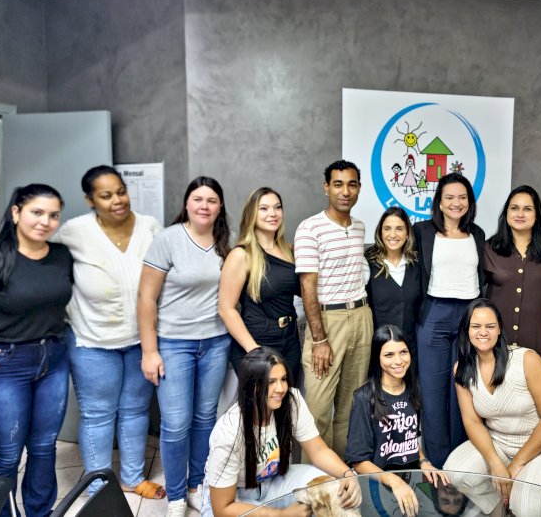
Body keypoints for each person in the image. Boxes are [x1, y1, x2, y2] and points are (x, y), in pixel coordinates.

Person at [54, 166, 165, 499]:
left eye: (121, 191)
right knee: (98, 415)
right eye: (106, 195)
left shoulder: (150, 226)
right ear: (90, 200)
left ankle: (132, 478)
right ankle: (98, 488)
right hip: (92, 341)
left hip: (141, 341)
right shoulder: (73, 233)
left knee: (135, 411)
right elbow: (44, 270)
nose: (117, 200)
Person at [138, 176, 233, 517]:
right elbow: (146, 297)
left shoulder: (226, 242)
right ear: (187, 203)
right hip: (174, 344)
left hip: (216, 342)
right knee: (176, 423)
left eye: (211, 200)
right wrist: (150, 351)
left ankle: (197, 486)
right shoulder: (168, 239)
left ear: (220, 206)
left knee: (205, 418)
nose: (204, 206)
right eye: (198, 199)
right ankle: (176, 495)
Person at [0, 184, 73, 517]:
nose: (46, 221)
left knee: (44, 447)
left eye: (54, 215)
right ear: (16, 212)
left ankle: (40, 512)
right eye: (37, 212)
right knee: (6, 456)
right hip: (3, 367)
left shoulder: (61, 256)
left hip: (54, 360)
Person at [202, 347, 362, 517]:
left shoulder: (291, 401)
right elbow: (223, 509)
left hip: (273, 482)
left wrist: (348, 474)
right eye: (271, 382)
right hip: (235, 497)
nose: (280, 388)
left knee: (332, 488)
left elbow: (318, 450)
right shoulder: (229, 431)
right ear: (252, 386)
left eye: (283, 379)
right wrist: (281, 515)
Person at [444, 298, 541, 517]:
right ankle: (499, 506)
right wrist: (495, 463)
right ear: (467, 330)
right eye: (476, 326)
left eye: (490, 326)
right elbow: (472, 421)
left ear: (499, 329)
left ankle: (520, 498)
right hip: (498, 444)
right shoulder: (462, 369)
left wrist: (516, 464)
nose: (483, 332)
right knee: (455, 472)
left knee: (528, 508)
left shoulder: (527, 360)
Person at [294, 160, 374, 457]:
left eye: (352, 184)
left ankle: (344, 473)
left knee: (352, 406)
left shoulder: (359, 227)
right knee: (317, 410)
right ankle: (314, 478)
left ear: (359, 188)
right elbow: (307, 287)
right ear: (326, 187)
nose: (345, 191)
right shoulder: (310, 228)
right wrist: (319, 339)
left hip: (361, 316)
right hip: (328, 321)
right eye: (338, 184)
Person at [413, 172, 485, 467]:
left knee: (463, 391)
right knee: (433, 392)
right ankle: (437, 464)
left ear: (469, 202)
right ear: (439, 203)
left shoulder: (477, 234)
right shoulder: (421, 231)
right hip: (434, 314)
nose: (457, 203)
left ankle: (461, 463)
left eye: (462, 197)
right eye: (450, 197)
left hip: (469, 317)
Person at [345, 325, 448, 517]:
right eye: (389, 355)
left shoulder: (413, 388)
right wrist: (394, 481)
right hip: (378, 485)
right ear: (377, 358)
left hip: (411, 479)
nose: (398, 361)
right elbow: (358, 461)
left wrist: (424, 461)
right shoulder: (363, 398)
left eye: (403, 352)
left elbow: (408, 437)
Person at [219, 187, 301, 381]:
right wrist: (254, 350)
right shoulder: (241, 255)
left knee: (287, 398)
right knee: (261, 400)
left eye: (277, 207)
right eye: (263, 208)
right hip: (257, 342)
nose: (273, 213)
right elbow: (226, 309)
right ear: (251, 214)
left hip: (290, 341)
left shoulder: (290, 251)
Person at [484, 185, 541, 367]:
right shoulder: (489, 248)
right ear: (506, 213)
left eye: (527, 209)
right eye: (514, 208)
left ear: (537, 214)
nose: (520, 214)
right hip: (496, 343)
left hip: (538, 342)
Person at [365, 207, 423, 374]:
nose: (393, 234)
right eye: (387, 228)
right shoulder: (368, 263)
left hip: (410, 348)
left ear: (407, 233)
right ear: (380, 232)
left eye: (399, 229)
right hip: (378, 349)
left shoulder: (417, 263)